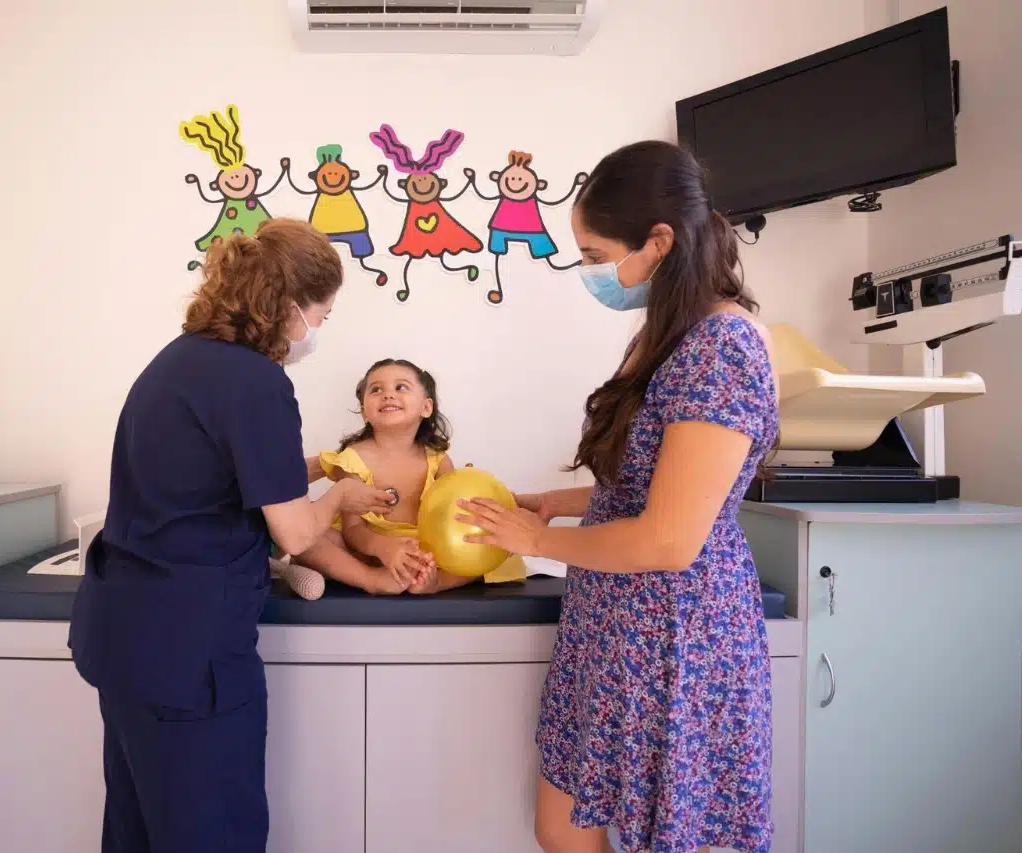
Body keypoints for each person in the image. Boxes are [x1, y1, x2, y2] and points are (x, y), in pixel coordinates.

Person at [458, 141, 779, 853]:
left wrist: (534, 540)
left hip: (674, 639)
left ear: (659, 241)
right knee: (561, 828)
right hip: (611, 628)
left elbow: (669, 536)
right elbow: (643, 478)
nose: (590, 271)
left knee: (656, 836)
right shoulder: (666, 335)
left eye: (595, 252)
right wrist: (549, 502)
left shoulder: (722, 346)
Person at [68, 218, 395, 853]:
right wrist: (341, 497)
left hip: (128, 637)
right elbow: (297, 531)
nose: (318, 333)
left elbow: (219, 474)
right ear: (290, 308)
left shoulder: (182, 359)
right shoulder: (255, 381)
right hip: (190, 653)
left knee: (139, 830)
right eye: (322, 316)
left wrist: (320, 467)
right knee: (212, 833)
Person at [295, 358, 527, 594]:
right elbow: (353, 530)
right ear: (364, 412)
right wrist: (383, 548)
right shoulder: (352, 459)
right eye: (376, 389)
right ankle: (370, 578)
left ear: (426, 408)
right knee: (301, 531)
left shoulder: (437, 460)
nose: (388, 395)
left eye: (401, 387)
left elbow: (455, 516)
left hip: (423, 548)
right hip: (366, 549)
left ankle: (434, 583)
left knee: (496, 548)